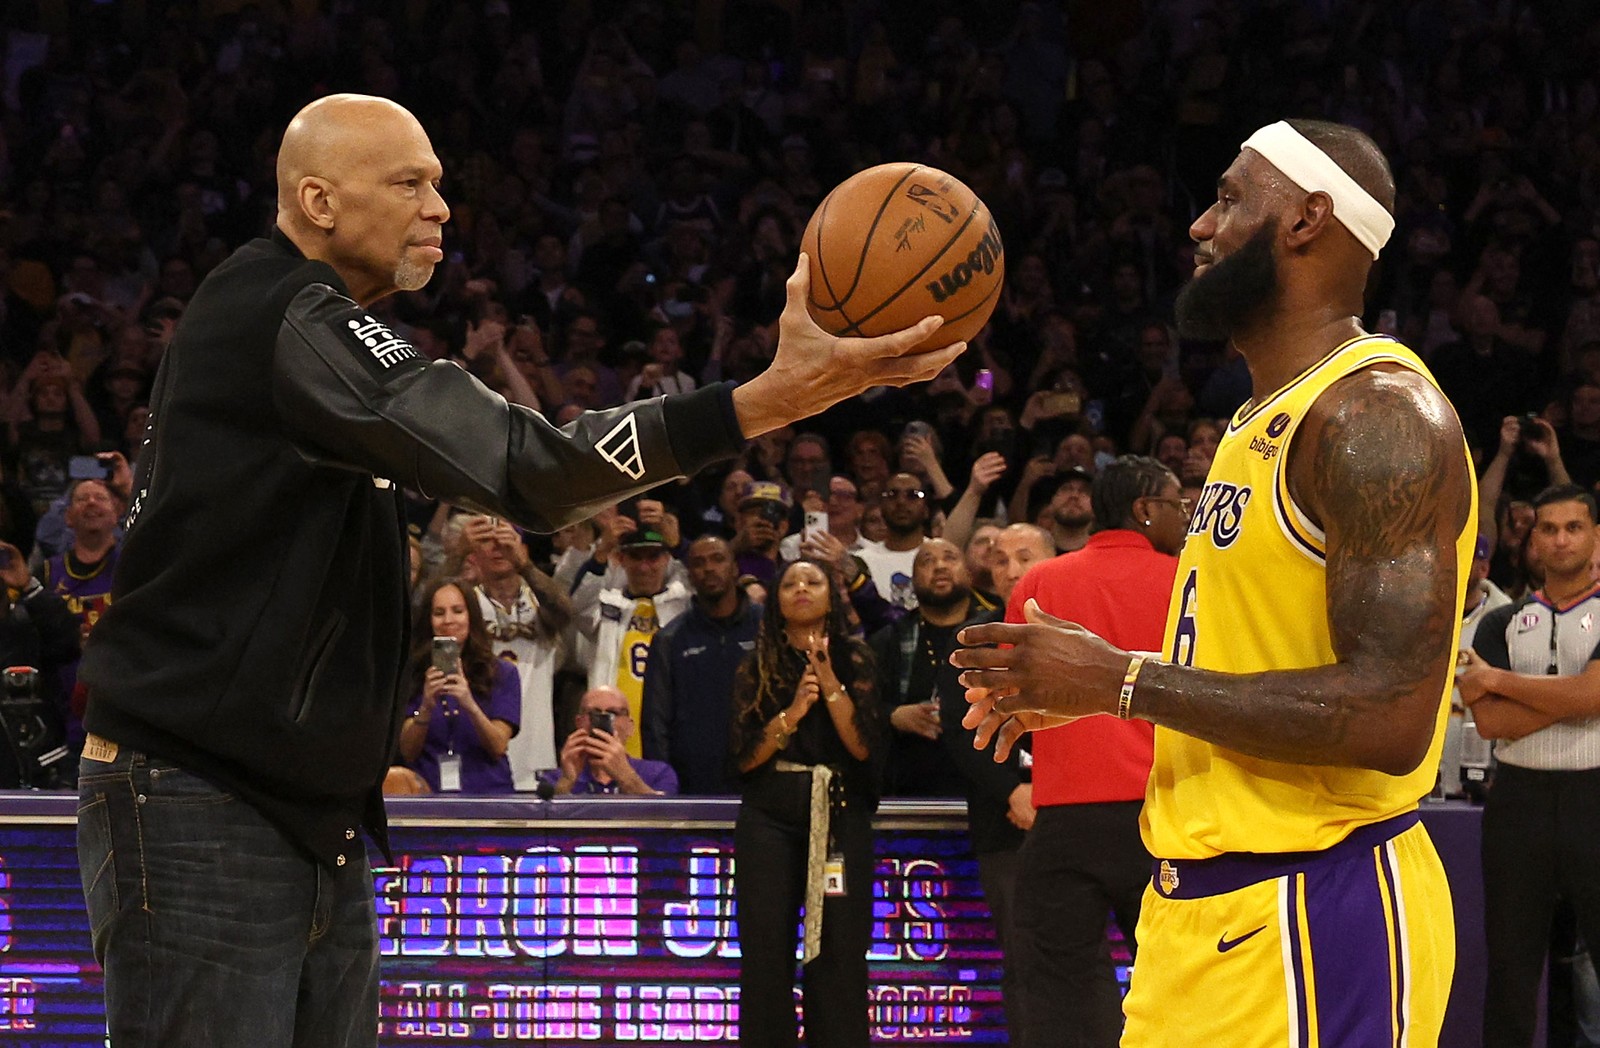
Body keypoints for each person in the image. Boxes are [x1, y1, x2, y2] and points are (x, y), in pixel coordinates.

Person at [73, 92, 959, 1048]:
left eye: (440, 186)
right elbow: (529, 470)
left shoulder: (295, 328)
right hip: (204, 800)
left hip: (288, 810)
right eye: (409, 183)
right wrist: (755, 403)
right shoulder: (285, 311)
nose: (440, 208)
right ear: (319, 202)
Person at [955, 119, 1475, 1047]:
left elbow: (1392, 717)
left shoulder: (1377, 415)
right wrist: (1091, 685)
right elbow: (1256, 657)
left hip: (1316, 908)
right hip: (1193, 913)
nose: (1199, 224)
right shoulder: (1256, 419)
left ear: (1310, 218)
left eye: (1231, 197)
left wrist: (1117, 681)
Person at [1003, 456, 1185, 1048]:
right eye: (1176, 503)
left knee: (1060, 994)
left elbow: (1007, 694)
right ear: (1143, 510)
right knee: (1180, 989)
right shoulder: (1190, 580)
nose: (1187, 515)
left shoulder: (1038, 583)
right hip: (1165, 818)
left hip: (1064, 820)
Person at [1459, 484, 1600, 1047]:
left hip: (1594, 797)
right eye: (1549, 528)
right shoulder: (1503, 621)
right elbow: (1490, 724)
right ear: (1533, 539)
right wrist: (1572, 698)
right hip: (1519, 802)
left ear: (1595, 536)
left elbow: (1592, 698)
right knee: (1511, 967)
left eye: (1573, 527)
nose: (1560, 538)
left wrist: (1498, 681)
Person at [869, 539, 1029, 1035]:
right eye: (925, 561)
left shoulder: (1001, 628)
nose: (939, 567)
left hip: (1009, 810)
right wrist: (891, 717)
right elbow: (856, 718)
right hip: (919, 810)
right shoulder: (890, 640)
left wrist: (1019, 790)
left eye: (949, 557)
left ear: (967, 568)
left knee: (1037, 952)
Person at [730, 558, 882, 1048]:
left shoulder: (857, 658)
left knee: (840, 950)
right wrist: (794, 710)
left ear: (830, 596)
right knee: (766, 949)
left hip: (839, 816)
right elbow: (744, 759)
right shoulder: (752, 665)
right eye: (790, 582)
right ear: (775, 601)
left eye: (813, 581)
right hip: (769, 816)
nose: (800, 589)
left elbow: (863, 748)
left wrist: (829, 680)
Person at [641, 535, 761, 794]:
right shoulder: (669, 639)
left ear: (735, 568)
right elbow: (655, 723)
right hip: (692, 785)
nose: (709, 568)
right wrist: (663, 785)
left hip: (761, 782)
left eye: (718, 559)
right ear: (689, 575)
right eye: (698, 562)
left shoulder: (767, 629)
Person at [462, 514, 570, 790]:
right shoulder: (464, 602)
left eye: (507, 540)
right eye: (487, 541)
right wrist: (458, 551)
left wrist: (525, 565)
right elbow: (431, 605)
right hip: (480, 745)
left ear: (523, 548)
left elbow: (566, 613)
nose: (498, 547)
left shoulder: (538, 597)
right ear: (474, 553)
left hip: (535, 749)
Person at [572, 526, 691, 757]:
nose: (644, 566)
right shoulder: (607, 605)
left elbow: (703, 577)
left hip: (669, 723)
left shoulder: (683, 604)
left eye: (653, 557)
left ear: (667, 560)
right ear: (621, 559)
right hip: (611, 724)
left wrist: (680, 544)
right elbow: (576, 605)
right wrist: (600, 555)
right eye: (636, 557)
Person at [396, 577, 520, 793]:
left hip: (489, 796)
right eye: (439, 613)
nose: (448, 620)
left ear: (471, 616)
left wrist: (469, 704)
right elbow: (407, 752)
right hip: (429, 796)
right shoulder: (411, 674)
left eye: (457, 611)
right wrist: (425, 706)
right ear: (429, 620)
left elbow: (498, 746)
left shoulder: (502, 673)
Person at [545, 684, 678, 796]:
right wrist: (567, 782)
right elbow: (547, 820)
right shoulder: (555, 778)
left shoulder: (659, 773)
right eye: (593, 713)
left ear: (629, 726)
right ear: (578, 723)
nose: (602, 722)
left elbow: (664, 818)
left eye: (613, 713)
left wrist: (626, 777)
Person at [855, 472, 931, 609]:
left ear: (926, 509)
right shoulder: (861, 561)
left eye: (913, 495)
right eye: (892, 494)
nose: (901, 502)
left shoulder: (940, 558)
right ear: (881, 506)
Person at [990, 523, 1057, 605]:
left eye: (1025, 559)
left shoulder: (1073, 615)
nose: (1011, 574)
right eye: (1002, 561)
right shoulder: (987, 618)